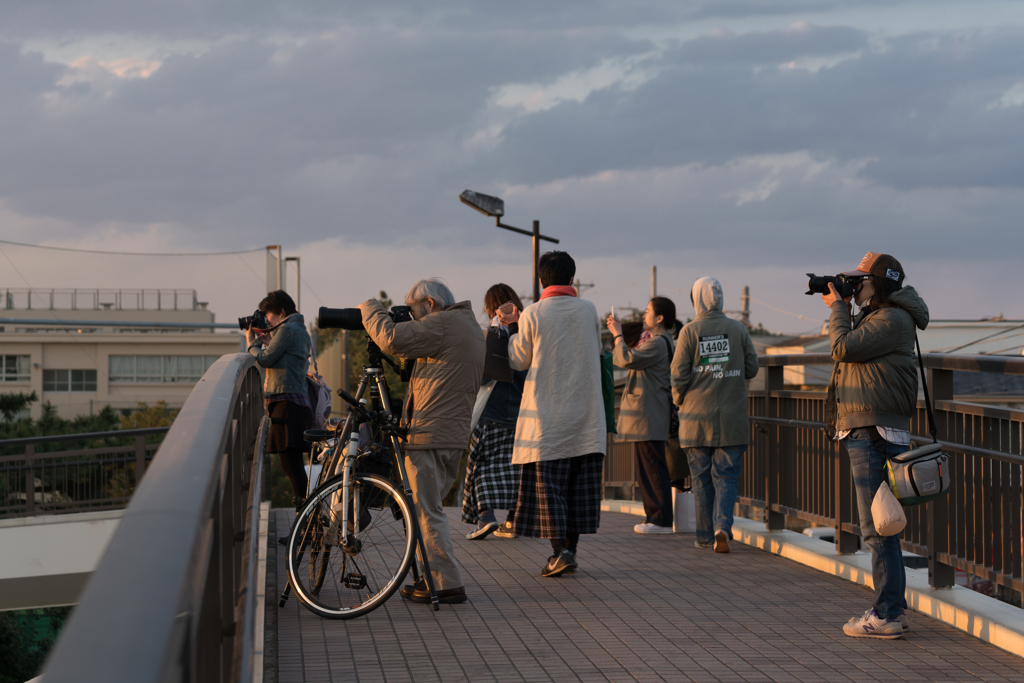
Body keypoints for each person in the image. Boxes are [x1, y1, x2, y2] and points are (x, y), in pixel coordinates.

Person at [358, 279, 484, 605]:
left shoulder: (443, 323)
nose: (415, 322)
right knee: (427, 510)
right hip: (451, 434)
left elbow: (390, 339)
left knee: (426, 512)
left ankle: (445, 583)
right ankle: (430, 578)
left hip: (429, 433)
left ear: (429, 303)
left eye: (416, 313)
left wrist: (370, 308)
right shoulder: (467, 327)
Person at [822, 252, 928, 639]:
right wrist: (846, 306)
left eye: (860, 280)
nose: (855, 286)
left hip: (873, 429)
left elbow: (842, 348)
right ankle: (892, 609)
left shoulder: (892, 318)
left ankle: (886, 614)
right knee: (883, 525)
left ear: (878, 283)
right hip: (871, 426)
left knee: (877, 529)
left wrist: (838, 307)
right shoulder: (884, 316)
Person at [499, 251, 606, 577]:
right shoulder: (589, 310)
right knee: (577, 489)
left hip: (547, 419)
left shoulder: (532, 313)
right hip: (586, 417)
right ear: (571, 278)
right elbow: (598, 350)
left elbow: (518, 359)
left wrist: (513, 326)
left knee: (550, 490)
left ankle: (560, 552)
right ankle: (569, 551)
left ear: (541, 279)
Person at [671, 277, 759, 553]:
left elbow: (678, 375)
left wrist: (679, 400)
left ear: (696, 299)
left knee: (701, 479)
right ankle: (723, 527)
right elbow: (752, 368)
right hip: (731, 418)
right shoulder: (738, 329)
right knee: (727, 477)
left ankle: (705, 536)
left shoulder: (689, 331)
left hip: (696, 419)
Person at [606, 297, 679, 534]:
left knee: (653, 467)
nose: (644, 315)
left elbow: (627, 359)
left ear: (659, 318)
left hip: (649, 414)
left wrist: (617, 334)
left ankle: (660, 520)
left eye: (648, 311)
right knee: (650, 466)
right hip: (651, 413)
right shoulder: (662, 341)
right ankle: (655, 517)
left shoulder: (658, 343)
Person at [463, 284, 527, 540]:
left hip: (493, 409)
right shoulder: (527, 332)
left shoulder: (490, 334)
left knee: (481, 464)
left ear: (490, 308)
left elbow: (480, 374)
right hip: (523, 412)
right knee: (517, 467)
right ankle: (512, 519)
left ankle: (486, 515)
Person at [246, 290, 312, 515]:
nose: (267, 322)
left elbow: (264, 359)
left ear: (281, 313)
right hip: (296, 404)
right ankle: (306, 524)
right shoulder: (300, 329)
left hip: (287, 405)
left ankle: (307, 524)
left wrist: (251, 344)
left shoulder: (287, 329)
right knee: (294, 466)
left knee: (291, 467)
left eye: (269, 317)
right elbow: (285, 359)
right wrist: (269, 342)